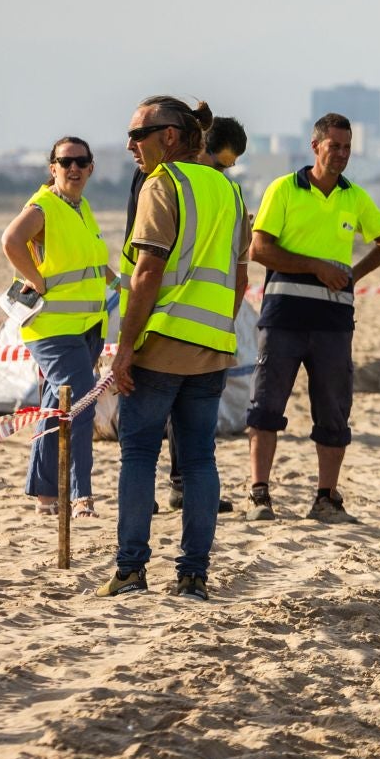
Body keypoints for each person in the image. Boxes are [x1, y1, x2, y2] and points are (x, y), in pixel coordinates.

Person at [100, 96, 246, 601]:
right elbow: (241, 274)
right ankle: (193, 576)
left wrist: (124, 348)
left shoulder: (164, 184)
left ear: (168, 136)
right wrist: (218, 324)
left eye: (138, 135)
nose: (129, 146)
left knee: (138, 454)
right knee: (200, 459)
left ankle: (131, 571)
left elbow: (147, 273)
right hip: (211, 346)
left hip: (161, 346)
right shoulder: (229, 191)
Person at [243, 112, 380, 524]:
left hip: (333, 322)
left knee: (333, 408)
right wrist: (316, 266)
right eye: (335, 147)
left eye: (348, 148)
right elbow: (259, 250)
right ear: (315, 147)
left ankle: (326, 497)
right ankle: (260, 495)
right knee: (266, 406)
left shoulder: (355, 196)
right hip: (283, 317)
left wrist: (352, 276)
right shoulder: (283, 189)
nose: (342, 155)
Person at [1, 137, 108, 518]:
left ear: (91, 167)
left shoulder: (82, 208)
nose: (73, 168)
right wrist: (35, 278)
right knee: (80, 404)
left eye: (81, 162)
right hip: (52, 328)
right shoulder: (44, 205)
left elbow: (91, 262)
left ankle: (44, 493)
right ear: (53, 168)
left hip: (88, 326)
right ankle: (80, 494)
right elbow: (11, 241)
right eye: (65, 162)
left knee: (54, 403)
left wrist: (121, 280)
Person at [164, 111, 248, 515]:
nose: (225, 173)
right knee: (157, 430)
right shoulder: (169, 183)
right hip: (172, 327)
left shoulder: (220, 191)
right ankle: (177, 490)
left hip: (198, 328)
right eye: (222, 163)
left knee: (191, 431)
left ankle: (184, 489)